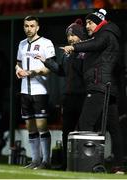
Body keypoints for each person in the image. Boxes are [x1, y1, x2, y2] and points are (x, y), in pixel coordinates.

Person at [62, 9, 124, 174]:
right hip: (107, 88)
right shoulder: (106, 35)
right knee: (114, 128)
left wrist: (73, 47)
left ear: (99, 22)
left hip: (99, 86)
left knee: (84, 124)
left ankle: (84, 165)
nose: (87, 26)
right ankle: (119, 166)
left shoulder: (105, 34)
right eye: (87, 23)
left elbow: (95, 44)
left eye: (90, 22)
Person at [35, 18, 88, 170]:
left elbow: (85, 74)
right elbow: (61, 71)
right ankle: (67, 164)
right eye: (68, 36)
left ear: (80, 36)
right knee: (67, 132)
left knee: (82, 131)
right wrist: (46, 61)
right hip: (68, 97)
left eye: (73, 35)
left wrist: (75, 52)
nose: (70, 38)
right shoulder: (67, 54)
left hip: (83, 97)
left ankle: (83, 164)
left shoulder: (86, 52)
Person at [15, 15, 56, 169]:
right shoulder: (21, 44)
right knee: (30, 127)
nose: (29, 29)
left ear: (37, 27)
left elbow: (50, 68)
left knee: (41, 126)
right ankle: (35, 160)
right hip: (24, 91)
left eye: (32, 26)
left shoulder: (46, 43)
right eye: (26, 26)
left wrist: (34, 72)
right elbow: (18, 63)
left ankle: (46, 161)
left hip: (40, 91)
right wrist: (18, 70)